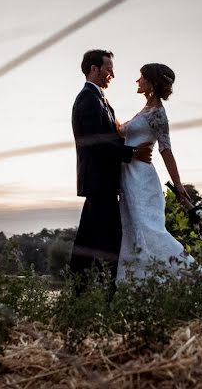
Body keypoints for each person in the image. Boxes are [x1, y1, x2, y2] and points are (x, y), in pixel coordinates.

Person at [68, 49, 152, 288]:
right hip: (98, 182)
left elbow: (112, 135)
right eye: (108, 69)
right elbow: (97, 143)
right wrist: (133, 153)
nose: (112, 74)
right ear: (94, 69)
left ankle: (80, 293)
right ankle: (106, 293)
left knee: (90, 241)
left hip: (103, 183)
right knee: (111, 239)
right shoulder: (87, 100)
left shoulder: (100, 100)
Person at [116, 62, 200, 282]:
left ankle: (195, 277)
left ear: (151, 82)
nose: (137, 81)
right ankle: (140, 286)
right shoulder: (144, 110)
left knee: (150, 232)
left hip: (142, 180)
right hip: (128, 178)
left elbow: (166, 150)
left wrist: (179, 187)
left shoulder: (158, 115)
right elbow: (122, 131)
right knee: (133, 232)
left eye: (141, 77)